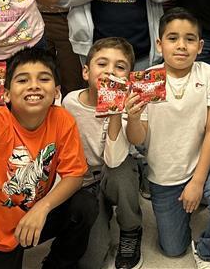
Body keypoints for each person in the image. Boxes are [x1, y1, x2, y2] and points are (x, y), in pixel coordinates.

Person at [0, 47, 96, 269]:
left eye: (44, 78)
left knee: (85, 205)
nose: (34, 85)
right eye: (22, 79)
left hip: (32, 213)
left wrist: (43, 208)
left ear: (56, 91)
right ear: (6, 94)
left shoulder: (62, 120)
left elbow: (75, 175)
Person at [125, 8, 210, 268]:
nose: (181, 46)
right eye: (173, 38)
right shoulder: (147, 79)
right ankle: (188, 203)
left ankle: (208, 250)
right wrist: (133, 117)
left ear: (200, 46)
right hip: (164, 174)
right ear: (159, 44)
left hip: (205, 163)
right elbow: (137, 140)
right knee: (173, 250)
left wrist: (198, 182)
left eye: (190, 39)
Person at [62, 37, 143, 269]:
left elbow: (114, 159)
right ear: (86, 72)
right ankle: (102, 213)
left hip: (114, 170)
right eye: (102, 64)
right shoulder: (70, 103)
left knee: (122, 170)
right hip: (84, 180)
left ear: (128, 79)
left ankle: (131, 228)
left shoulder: (128, 108)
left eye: (120, 67)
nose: (110, 71)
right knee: (90, 261)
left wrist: (115, 111)